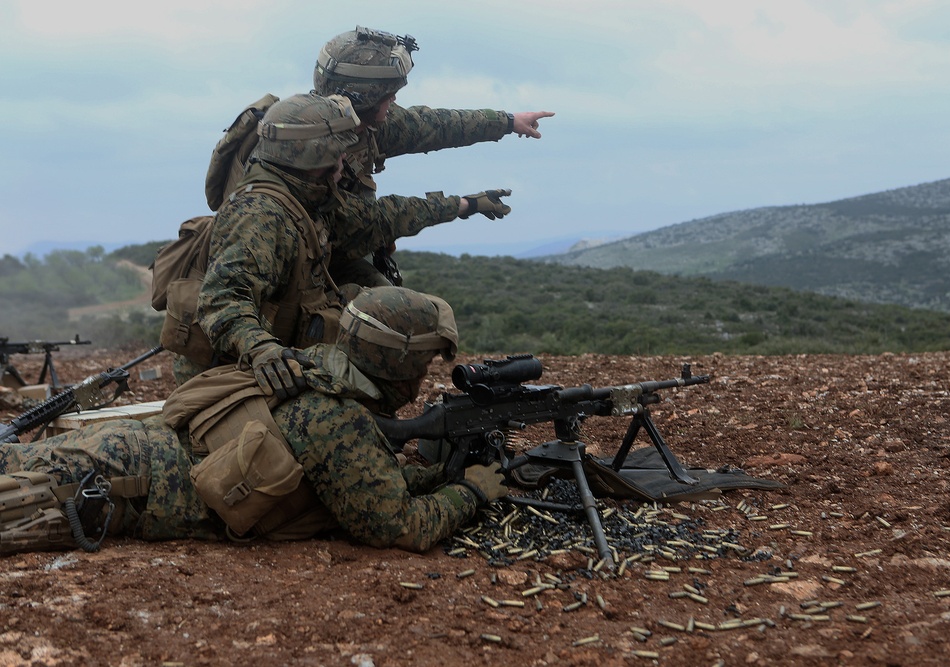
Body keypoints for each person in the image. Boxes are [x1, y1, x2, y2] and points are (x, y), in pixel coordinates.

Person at [0, 287, 508, 556]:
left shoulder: (315, 370)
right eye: (423, 362)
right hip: (122, 481)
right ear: (398, 362)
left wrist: (443, 473)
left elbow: (365, 479)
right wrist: (471, 493)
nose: (424, 375)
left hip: (137, 451)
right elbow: (398, 526)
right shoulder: (340, 419)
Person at [180, 92, 511, 392]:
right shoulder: (260, 215)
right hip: (235, 368)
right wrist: (261, 349)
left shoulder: (309, 196)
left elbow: (381, 217)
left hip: (280, 351)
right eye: (339, 154)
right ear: (315, 157)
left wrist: (464, 205)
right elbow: (221, 301)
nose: (344, 163)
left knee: (385, 310)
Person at [205, 25, 552, 287]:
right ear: (364, 98)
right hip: (286, 266)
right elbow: (371, 219)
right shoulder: (305, 149)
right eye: (388, 96)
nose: (394, 103)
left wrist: (507, 122)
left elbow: (435, 125)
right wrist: (464, 205)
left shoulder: (366, 122)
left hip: (333, 245)